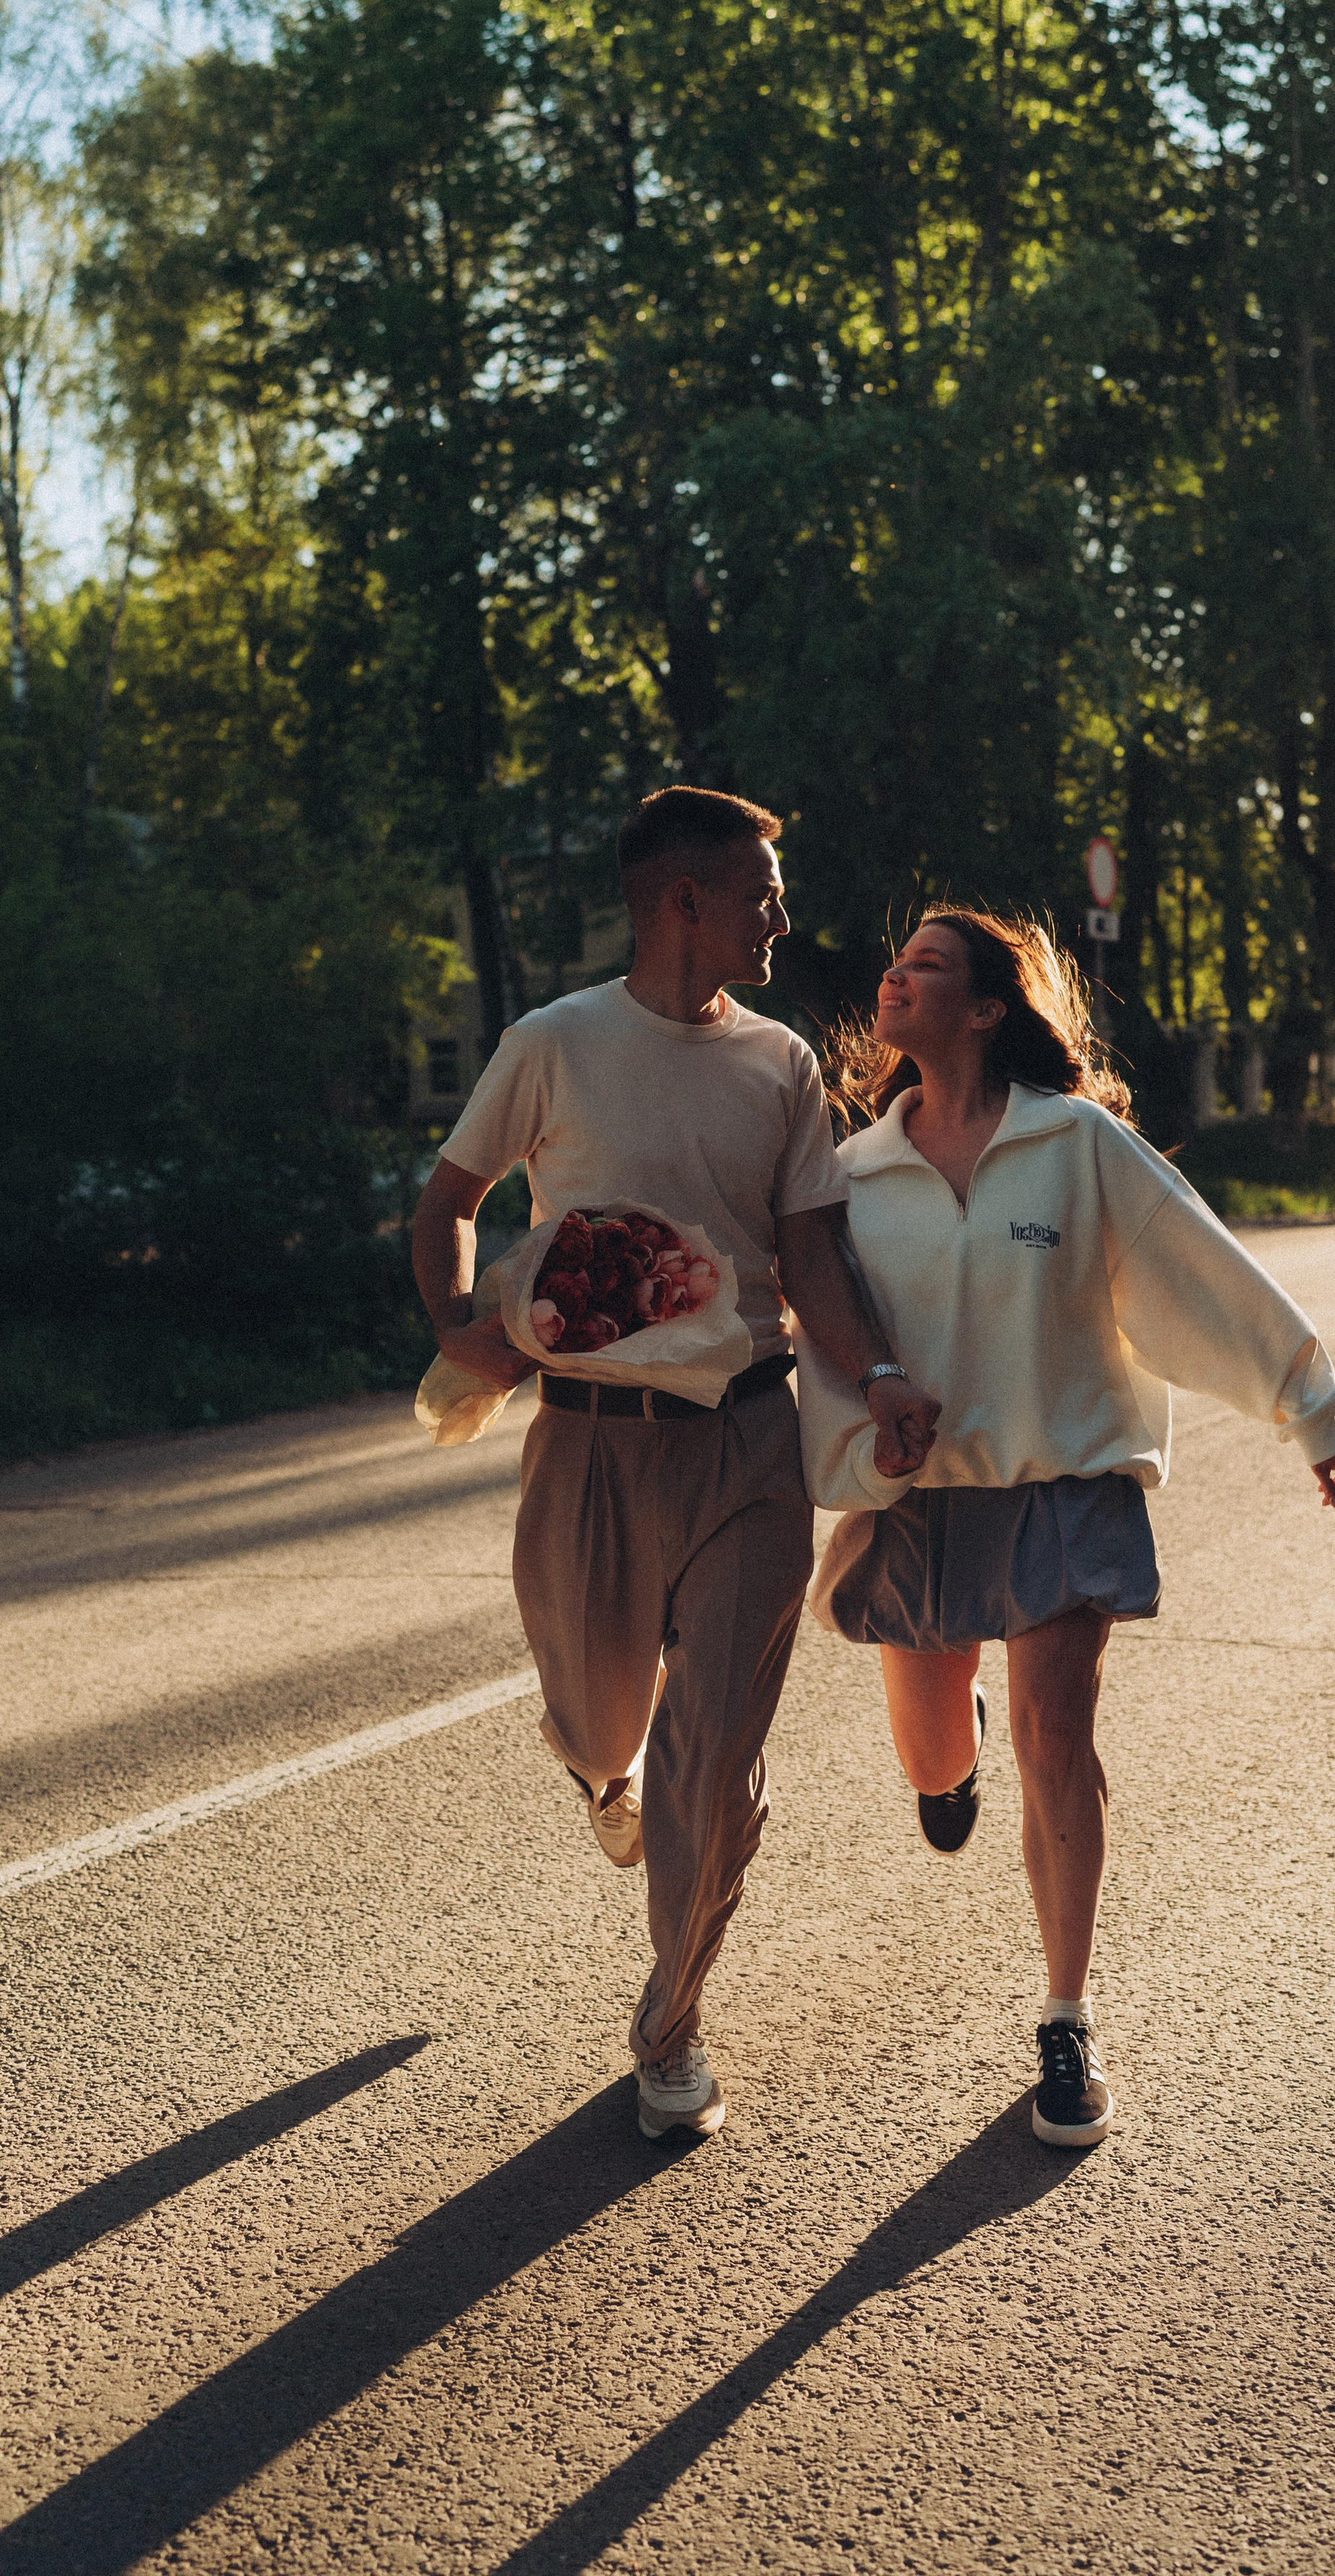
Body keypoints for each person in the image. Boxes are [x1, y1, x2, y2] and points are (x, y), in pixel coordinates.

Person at [413, 788, 938, 2142]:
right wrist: (460, 1324)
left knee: (713, 1764)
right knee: (609, 1728)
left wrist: (880, 1376)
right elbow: (452, 1199)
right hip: (586, 1443)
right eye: (762, 895)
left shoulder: (779, 1063)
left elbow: (812, 1251)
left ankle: (671, 2025)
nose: (782, 918)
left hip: (749, 1440)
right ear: (683, 901)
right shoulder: (555, 1043)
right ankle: (604, 1775)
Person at [795, 910, 1335, 2148]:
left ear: (986, 1009)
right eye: (895, 961)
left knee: (1059, 1742)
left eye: (927, 964)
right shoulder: (853, 1173)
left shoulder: (1075, 1144)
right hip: (923, 1501)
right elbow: (815, 1333)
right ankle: (952, 1758)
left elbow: (1199, 1270)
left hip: (1065, 1480)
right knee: (934, 1761)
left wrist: (1311, 1414)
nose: (894, 974)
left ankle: (1066, 2019)